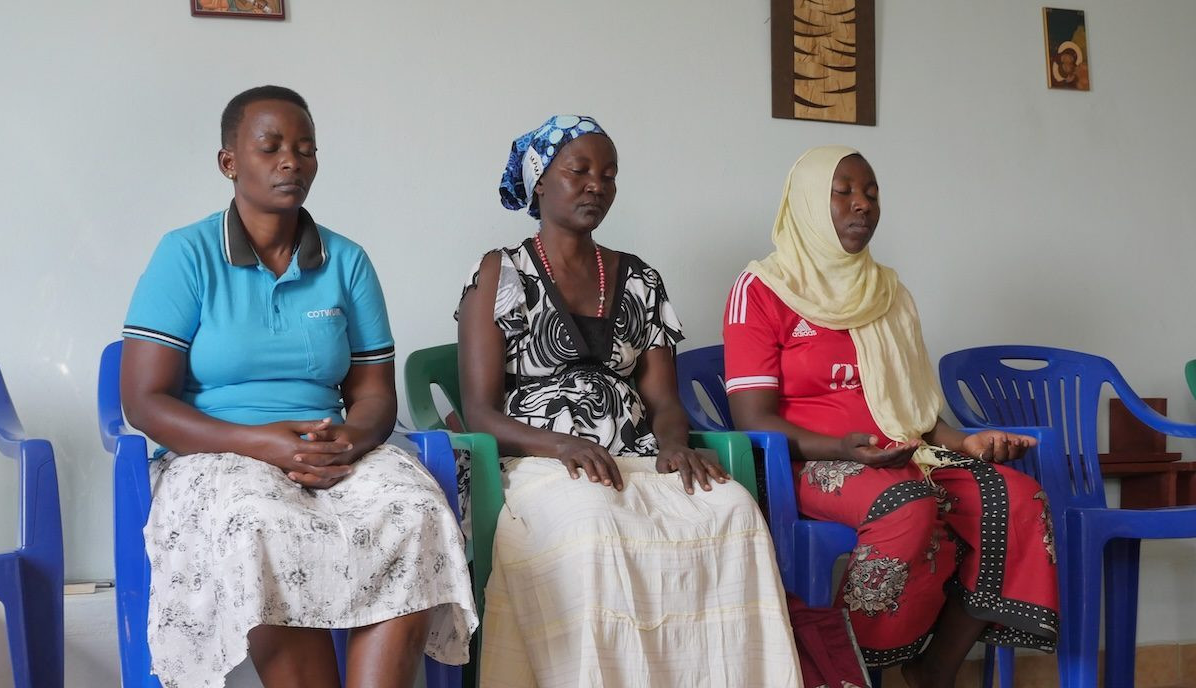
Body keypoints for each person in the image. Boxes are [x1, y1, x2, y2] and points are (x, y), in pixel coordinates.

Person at [120, 85, 476, 688]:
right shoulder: (186, 254)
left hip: (331, 449)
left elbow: (374, 395)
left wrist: (348, 441)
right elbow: (143, 401)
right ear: (229, 162)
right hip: (218, 452)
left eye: (305, 148)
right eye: (271, 147)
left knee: (416, 512)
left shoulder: (347, 261)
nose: (292, 160)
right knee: (258, 523)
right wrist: (263, 444)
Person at [456, 115, 801, 687]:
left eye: (609, 174)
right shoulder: (501, 272)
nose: (597, 184)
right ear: (540, 179)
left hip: (639, 455)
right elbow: (480, 411)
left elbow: (664, 398)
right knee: (594, 525)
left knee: (733, 508)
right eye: (580, 170)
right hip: (539, 461)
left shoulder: (641, 279)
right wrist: (563, 444)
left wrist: (674, 446)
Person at [723, 145, 1059, 688]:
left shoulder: (889, 293)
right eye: (844, 193)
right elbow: (753, 419)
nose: (862, 205)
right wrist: (841, 449)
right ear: (808, 203)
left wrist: (967, 442)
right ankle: (840, 674)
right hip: (811, 464)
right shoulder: (761, 289)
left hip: (907, 454)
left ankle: (933, 671)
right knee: (907, 504)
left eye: (872, 193)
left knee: (1017, 500)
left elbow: (918, 411)